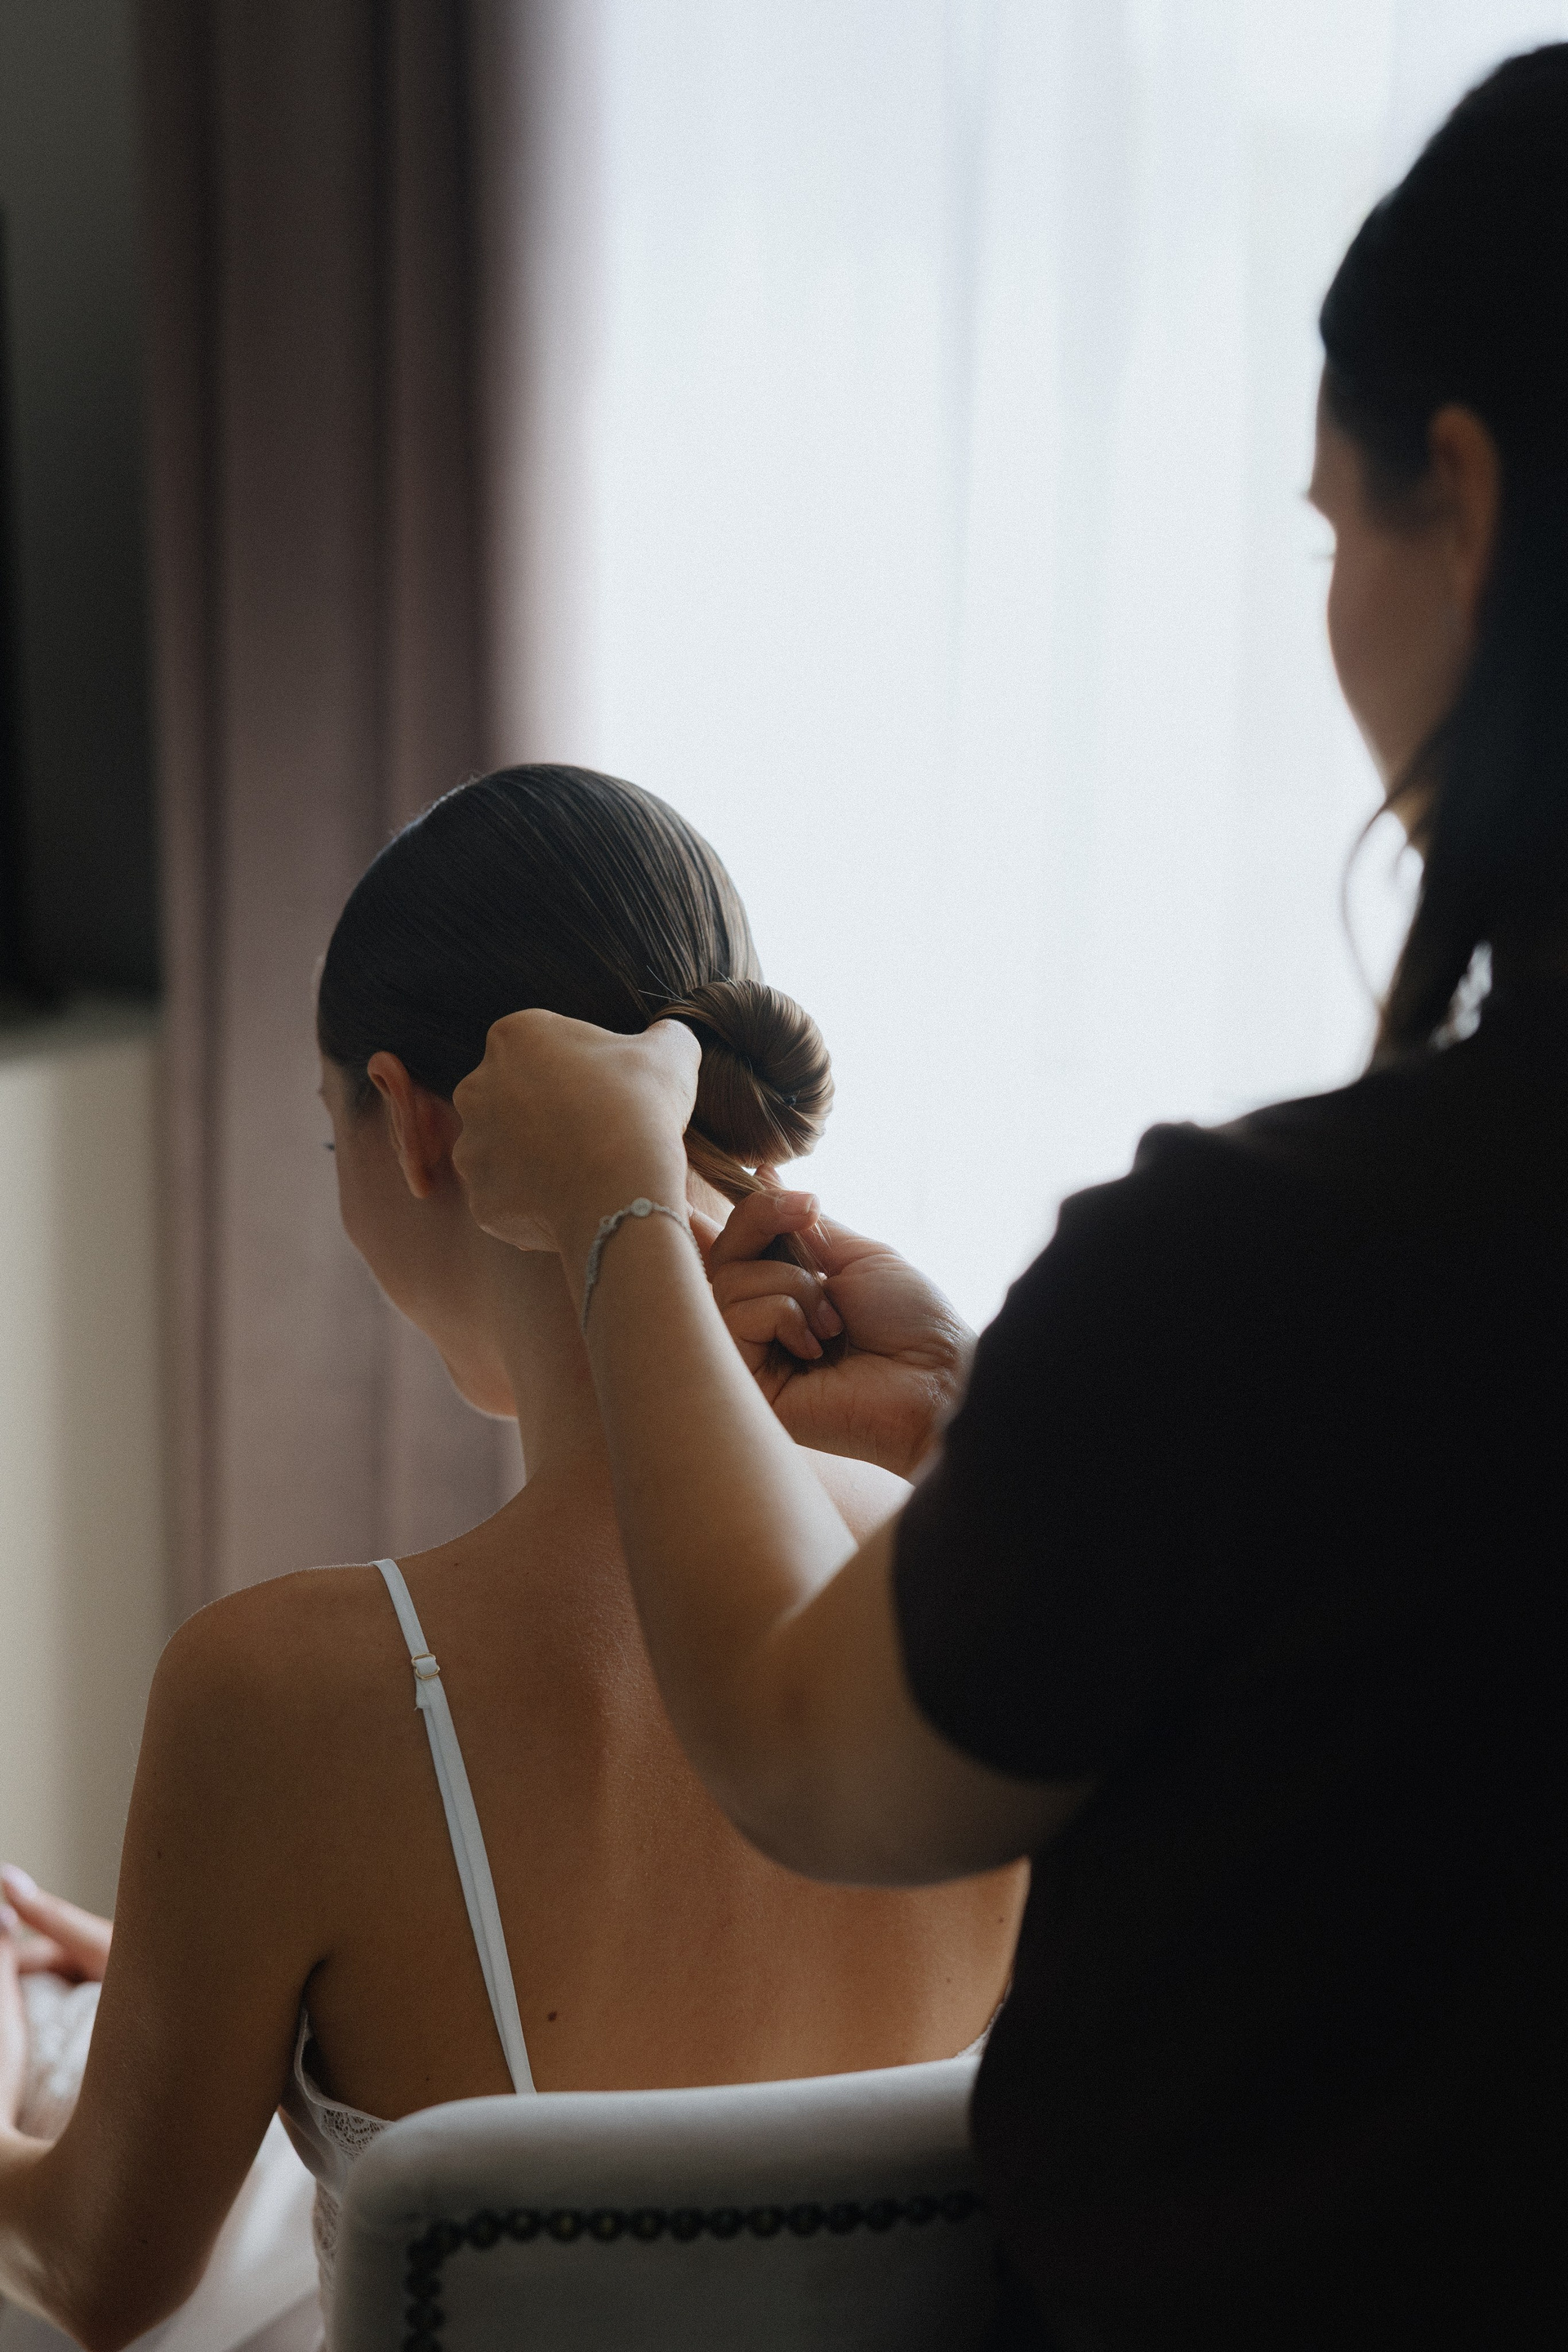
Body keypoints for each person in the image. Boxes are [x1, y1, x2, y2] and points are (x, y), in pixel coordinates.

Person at [448, 49, 1568, 2351]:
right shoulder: (1249, 1329)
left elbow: (804, 1748)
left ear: (1460, 498)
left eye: (1329, 534)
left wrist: (620, 1216)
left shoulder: (1261, 1277)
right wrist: (1005, 1425)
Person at [0, 764, 1023, 2350]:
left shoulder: (280, 1697)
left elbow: (97, 2275)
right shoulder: (987, 1581)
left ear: (412, 1121)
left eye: (326, 1131)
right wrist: (198, 1994)